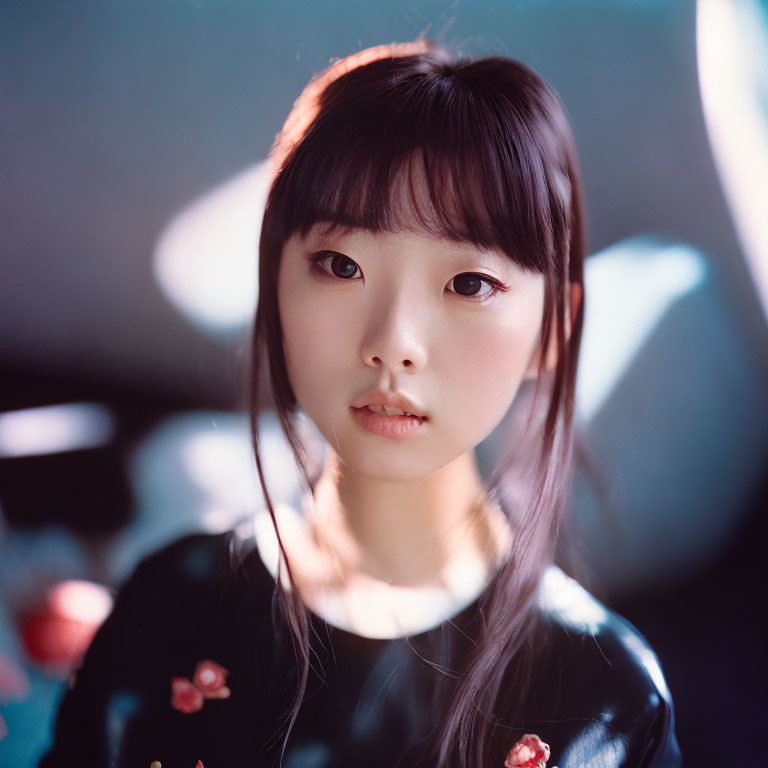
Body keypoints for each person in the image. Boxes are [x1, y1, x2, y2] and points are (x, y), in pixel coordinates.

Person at [39, 40, 681, 768]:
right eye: (340, 266)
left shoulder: (604, 703)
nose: (393, 343)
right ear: (274, 285)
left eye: (468, 283)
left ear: (554, 329)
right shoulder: (167, 610)